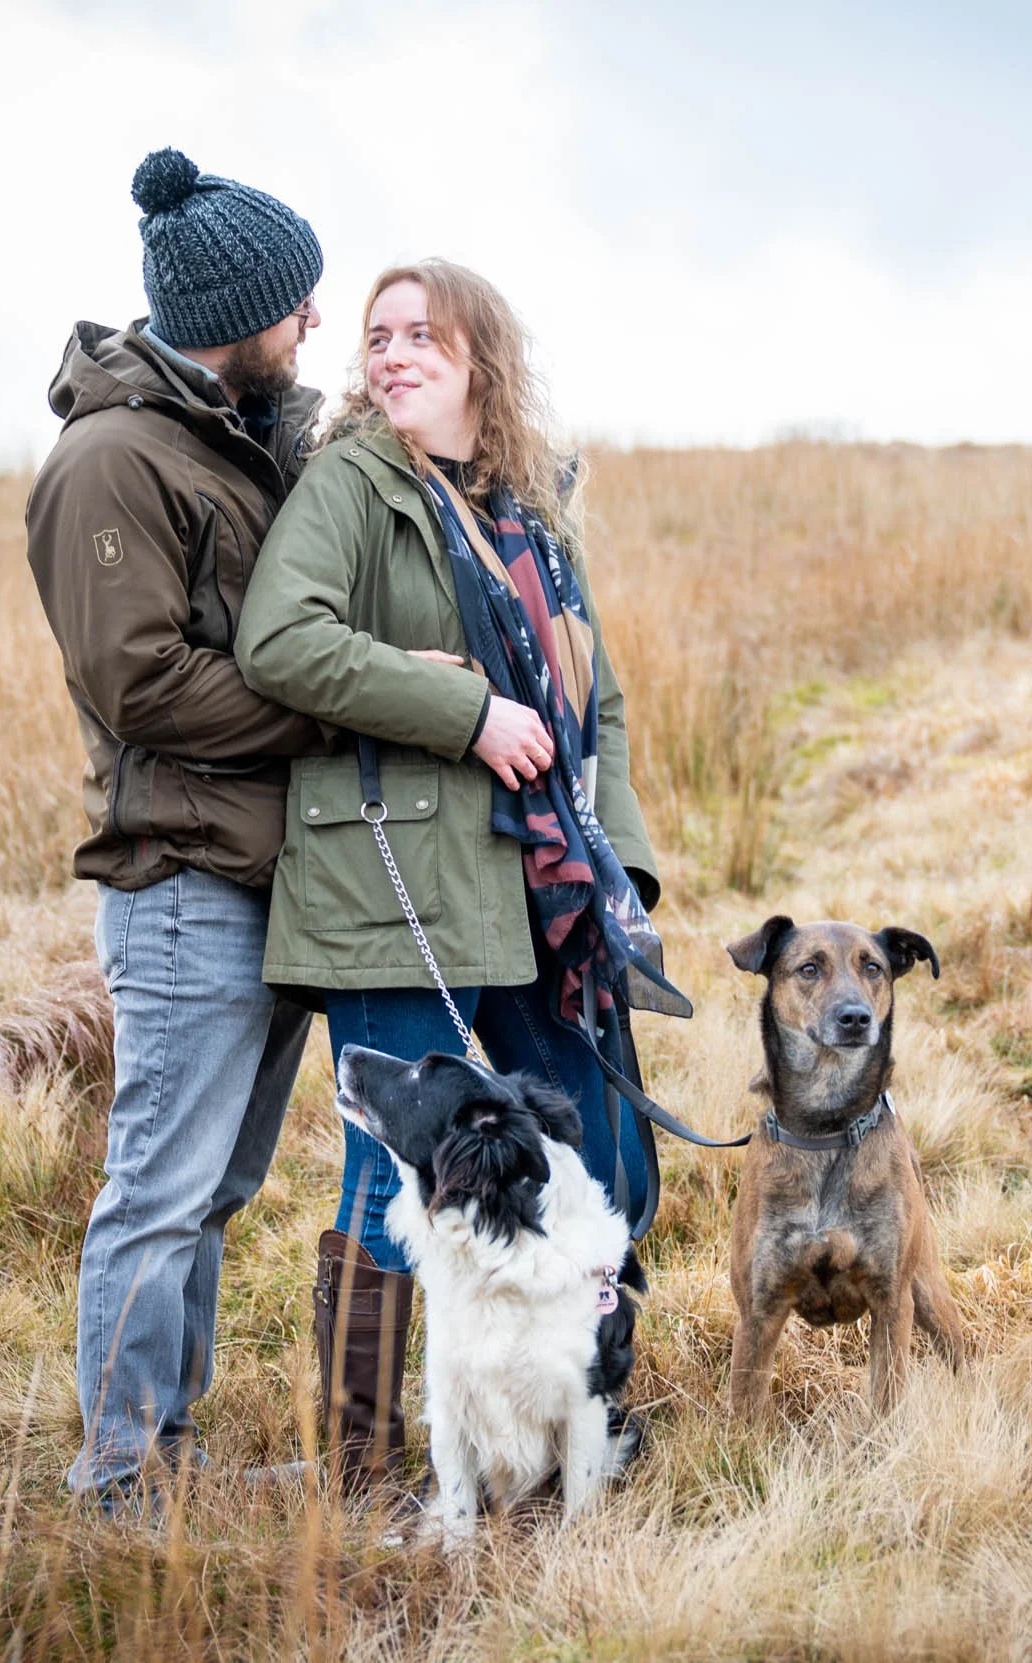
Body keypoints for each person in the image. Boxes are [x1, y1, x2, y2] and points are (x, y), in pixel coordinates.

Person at [237, 260, 679, 1493]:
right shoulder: (350, 484)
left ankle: (573, 1423)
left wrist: (623, 865)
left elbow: (602, 700)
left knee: (581, 1154)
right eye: (375, 337)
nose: (391, 355)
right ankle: (368, 1461)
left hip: (544, 891)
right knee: (392, 1171)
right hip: (397, 887)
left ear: (479, 357)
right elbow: (279, 640)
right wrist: (465, 706)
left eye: (421, 335)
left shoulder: (535, 506)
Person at [24, 146, 332, 1504]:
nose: (315, 322)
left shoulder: (235, 444)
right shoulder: (110, 462)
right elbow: (137, 679)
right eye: (299, 301)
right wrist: (330, 709)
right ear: (236, 315)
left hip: (265, 877)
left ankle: (172, 1449)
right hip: (183, 883)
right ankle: (116, 1479)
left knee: (211, 1187)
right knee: (156, 1189)